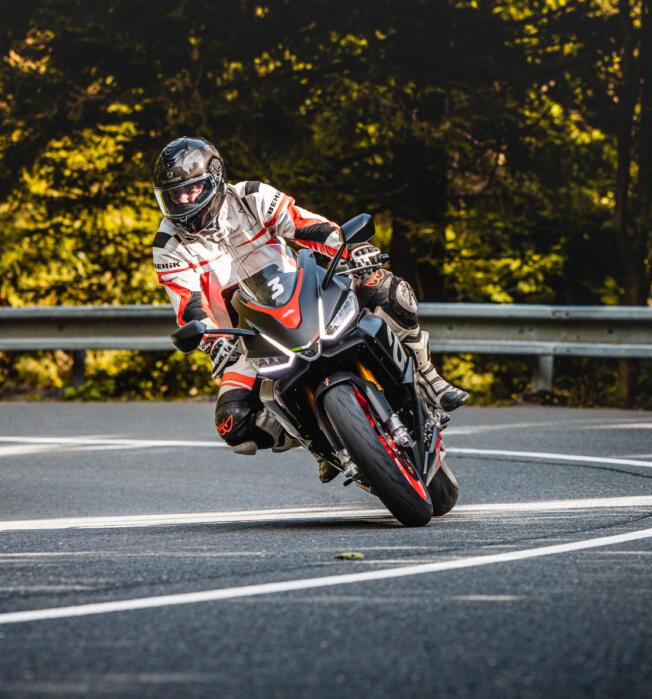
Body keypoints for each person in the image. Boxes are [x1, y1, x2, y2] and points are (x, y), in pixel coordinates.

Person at [151, 136, 468, 481]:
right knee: (233, 422)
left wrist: (352, 250)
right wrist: (214, 342)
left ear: (215, 178)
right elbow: (190, 305)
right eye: (175, 195)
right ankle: (319, 442)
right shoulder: (168, 243)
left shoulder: (250, 195)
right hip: (250, 338)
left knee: (383, 285)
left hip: (304, 296)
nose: (185, 202)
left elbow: (305, 225)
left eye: (192, 190)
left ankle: (427, 376)